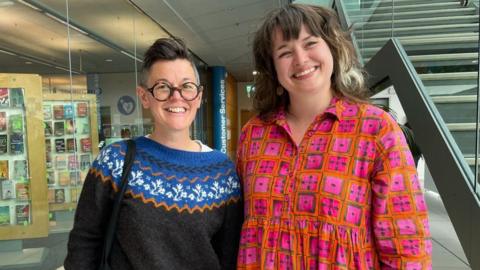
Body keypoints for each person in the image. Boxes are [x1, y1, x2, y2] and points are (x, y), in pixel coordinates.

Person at [236, 4, 431, 269]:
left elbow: (407, 243)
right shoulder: (254, 134)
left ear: (333, 48)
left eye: (310, 43)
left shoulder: (375, 130)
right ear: (272, 69)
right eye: (285, 52)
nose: (300, 59)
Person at [65, 37, 243, 269]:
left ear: (198, 97)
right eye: (162, 87)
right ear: (144, 96)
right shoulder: (115, 162)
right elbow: (84, 243)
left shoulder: (222, 172)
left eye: (186, 86)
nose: (176, 96)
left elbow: (229, 255)